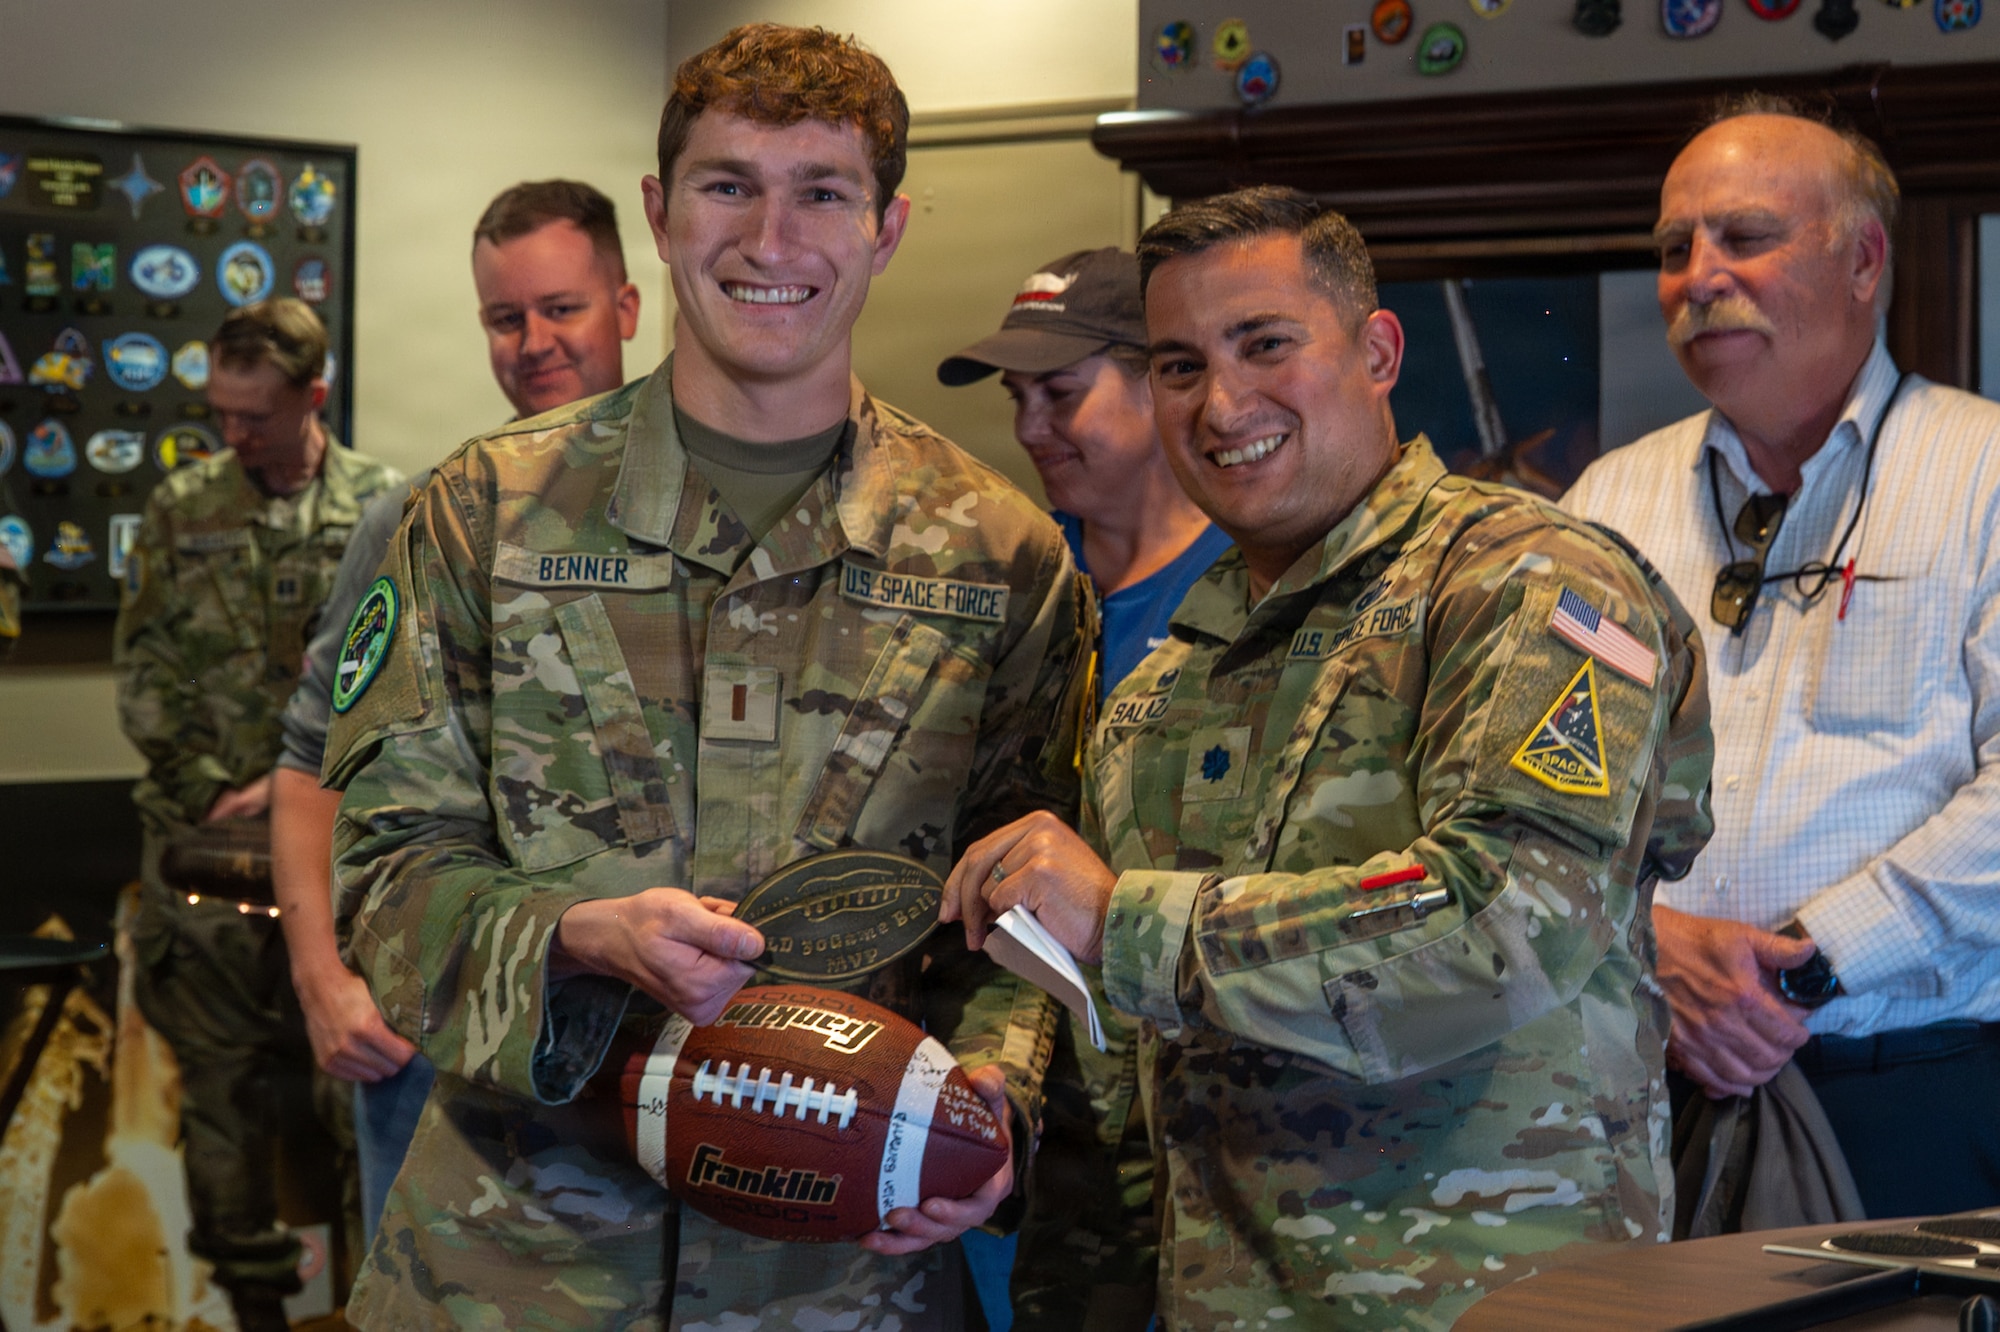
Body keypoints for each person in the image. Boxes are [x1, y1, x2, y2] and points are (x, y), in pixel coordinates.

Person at [321, 24, 1091, 1330]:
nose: (770, 240)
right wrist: (568, 940)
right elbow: (384, 878)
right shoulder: (482, 517)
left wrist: (992, 1106)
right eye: (730, 184)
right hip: (515, 1269)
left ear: (886, 229)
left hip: (848, 1280)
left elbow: (1019, 921)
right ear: (659, 213)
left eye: (824, 193)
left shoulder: (998, 557)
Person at [940, 185, 1715, 1328]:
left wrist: (1129, 925)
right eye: (1178, 365)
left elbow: (1506, 920)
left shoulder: (1522, 583)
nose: (1221, 402)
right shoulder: (1162, 690)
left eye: (1264, 345)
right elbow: (1126, 1082)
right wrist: (986, 1146)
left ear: (1377, 351)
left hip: (1496, 1305)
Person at [1562, 98, 2000, 1219]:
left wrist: (1803, 962)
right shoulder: (1603, 503)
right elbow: (1519, 788)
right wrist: (1647, 944)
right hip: (1622, 1092)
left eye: (1741, 238)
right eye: (1672, 248)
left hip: (1910, 1094)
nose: (1696, 274)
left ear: (1862, 261)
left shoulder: (1982, 473)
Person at [268, 179, 641, 1245]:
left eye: (560, 308)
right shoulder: (422, 514)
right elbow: (309, 763)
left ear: (624, 304)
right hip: (433, 1032)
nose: (533, 342)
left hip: (628, 1046)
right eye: (503, 317)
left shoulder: (699, 516)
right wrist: (321, 979)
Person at [938, 246, 1231, 1331]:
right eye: (1017, 396)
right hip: (1010, 1104)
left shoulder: (1241, 600)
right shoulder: (1009, 588)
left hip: (1182, 1121)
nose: (1028, 428)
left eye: (1060, 392)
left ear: (1159, 384)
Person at [114, 298, 403, 1332]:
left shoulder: (387, 505)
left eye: (255, 416)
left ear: (313, 397)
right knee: (222, 1105)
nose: (232, 436)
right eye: (219, 414)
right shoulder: (180, 505)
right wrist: (216, 788)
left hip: (334, 851)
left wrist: (295, 791)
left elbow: (396, 684)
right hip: (202, 851)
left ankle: (371, 1309)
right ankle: (255, 1314)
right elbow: (143, 673)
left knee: (357, 1094)